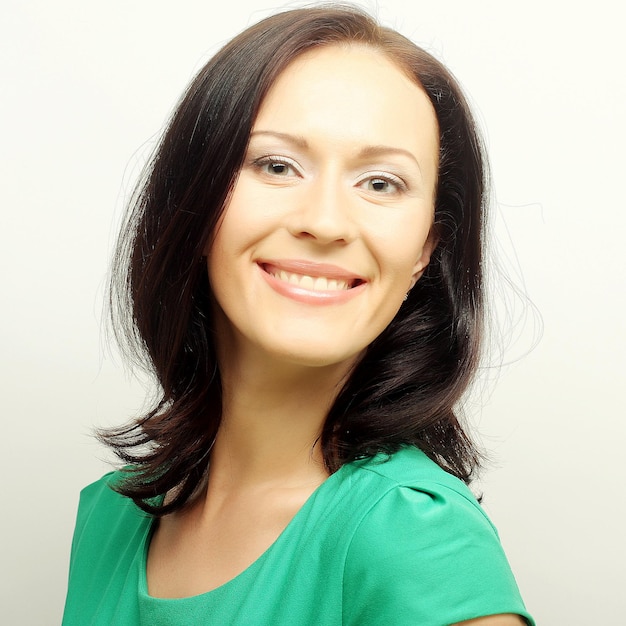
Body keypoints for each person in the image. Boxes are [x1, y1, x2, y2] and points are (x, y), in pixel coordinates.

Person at [63, 5, 534, 625]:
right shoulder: (109, 516)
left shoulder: (415, 538)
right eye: (276, 165)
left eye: (382, 183)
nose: (326, 222)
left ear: (426, 247)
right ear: (197, 200)